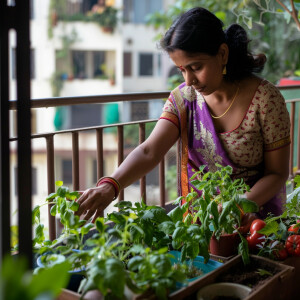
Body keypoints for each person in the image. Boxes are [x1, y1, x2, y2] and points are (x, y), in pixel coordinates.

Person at [75, 7, 290, 223]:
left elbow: (277, 173)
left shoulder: (265, 100)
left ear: (222, 54)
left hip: (256, 221)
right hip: (201, 220)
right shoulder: (184, 99)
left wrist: (239, 207)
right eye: (181, 70)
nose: (189, 80)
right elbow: (150, 150)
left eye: (195, 67)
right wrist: (110, 185)